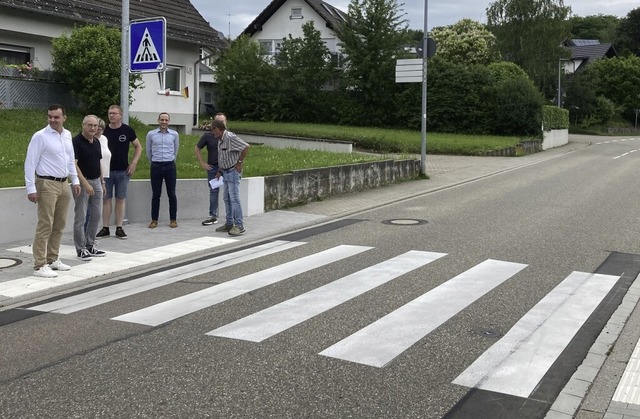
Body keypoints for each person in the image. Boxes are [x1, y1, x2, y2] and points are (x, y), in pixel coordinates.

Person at [24, 104, 81, 278]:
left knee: (59, 224)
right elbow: (30, 162)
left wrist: (75, 180)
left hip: (63, 184)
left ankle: (53, 258)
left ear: (64, 117)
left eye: (56, 117)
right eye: (50, 116)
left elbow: (70, 160)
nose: (52, 120)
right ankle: (39, 265)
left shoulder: (67, 135)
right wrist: (31, 188)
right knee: (45, 224)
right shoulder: (40, 137)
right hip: (46, 183)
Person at [98, 104, 142, 239]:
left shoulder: (127, 130)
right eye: (110, 113)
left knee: (120, 199)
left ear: (121, 115)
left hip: (122, 171)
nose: (111, 115)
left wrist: (134, 163)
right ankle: (105, 227)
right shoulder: (103, 132)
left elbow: (138, 147)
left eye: (114, 113)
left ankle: (119, 227)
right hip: (106, 171)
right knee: (106, 199)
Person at [72, 115, 106, 261]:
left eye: (95, 126)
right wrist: (84, 183)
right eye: (90, 125)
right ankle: (80, 249)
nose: (93, 128)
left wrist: (102, 181)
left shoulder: (97, 142)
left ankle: (90, 244)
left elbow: (98, 163)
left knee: (97, 215)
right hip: (82, 183)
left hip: (96, 182)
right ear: (83, 125)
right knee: (81, 216)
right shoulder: (76, 142)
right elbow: (74, 164)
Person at [212, 118, 250, 236]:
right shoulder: (220, 140)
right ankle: (229, 223)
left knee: (234, 198)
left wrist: (239, 162)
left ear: (218, 129)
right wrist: (219, 170)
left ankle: (239, 225)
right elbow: (222, 156)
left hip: (233, 171)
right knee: (226, 198)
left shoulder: (230, 137)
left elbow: (246, 147)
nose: (213, 133)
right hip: (225, 171)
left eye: (214, 130)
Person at [146, 112, 179, 228]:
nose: (164, 122)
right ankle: (154, 220)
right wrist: (155, 161)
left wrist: (170, 160)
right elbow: (148, 152)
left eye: (166, 120)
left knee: (172, 194)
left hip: (170, 166)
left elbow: (176, 151)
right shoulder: (151, 134)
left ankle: (173, 220)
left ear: (169, 121)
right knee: (156, 194)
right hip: (156, 166)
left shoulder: (174, 134)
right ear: (158, 120)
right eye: (162, 120)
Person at [194, 113, 226, 226]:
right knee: (213, 192)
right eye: (218, 122)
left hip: (227, 168)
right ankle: (213, 215)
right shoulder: (208, 136)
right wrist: (202, 163)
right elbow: (197, 148)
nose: (221, 124)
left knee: (230, 192)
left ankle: (231, 217)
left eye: (223, 122)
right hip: (213, 167)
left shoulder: (229, 136)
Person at [84, 118, 110, 231]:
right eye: (96, 127)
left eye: (101, 128)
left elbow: (100, 160)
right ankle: (83, 236)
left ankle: (90, 238)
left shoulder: (102, 140)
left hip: (101, 177)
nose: (98, 130)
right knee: (87, 211)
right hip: (87, 178)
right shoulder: (86, 141)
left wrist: (102, 181)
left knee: (96, 212)